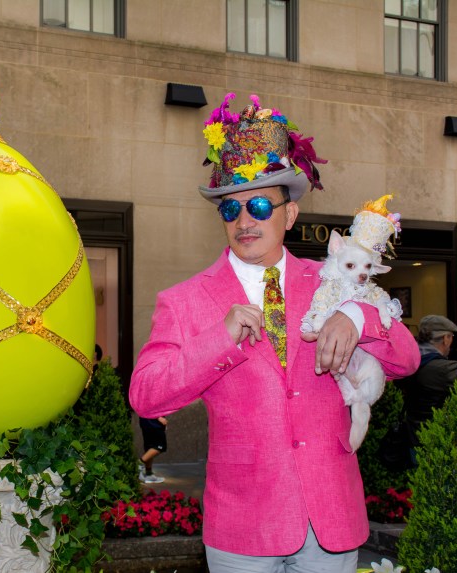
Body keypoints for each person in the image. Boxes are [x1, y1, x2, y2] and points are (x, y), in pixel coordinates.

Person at [129, 92, 419, 572]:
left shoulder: (336, 281)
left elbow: (406, 360)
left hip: (330, 518)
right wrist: (219, 338)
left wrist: (359, 318)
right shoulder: (184, 300)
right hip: (243, 525)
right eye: (231, 209)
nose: (245, 220)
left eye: (261, 204)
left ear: (290, 214)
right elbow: (146, 396)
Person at [398, 314, 457, 449]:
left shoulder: (413, 360)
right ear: (445, 339)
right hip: (434, 444)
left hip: (415, 437)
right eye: (452, 337)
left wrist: (455, 353)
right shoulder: (442, 370)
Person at [138, 416, 168, 484]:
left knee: (149, 447)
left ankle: (149, 474)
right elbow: (149, 405)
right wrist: (159, 417)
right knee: (160, 446)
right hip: (153, 422)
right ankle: (138, 464)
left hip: (147, 421)